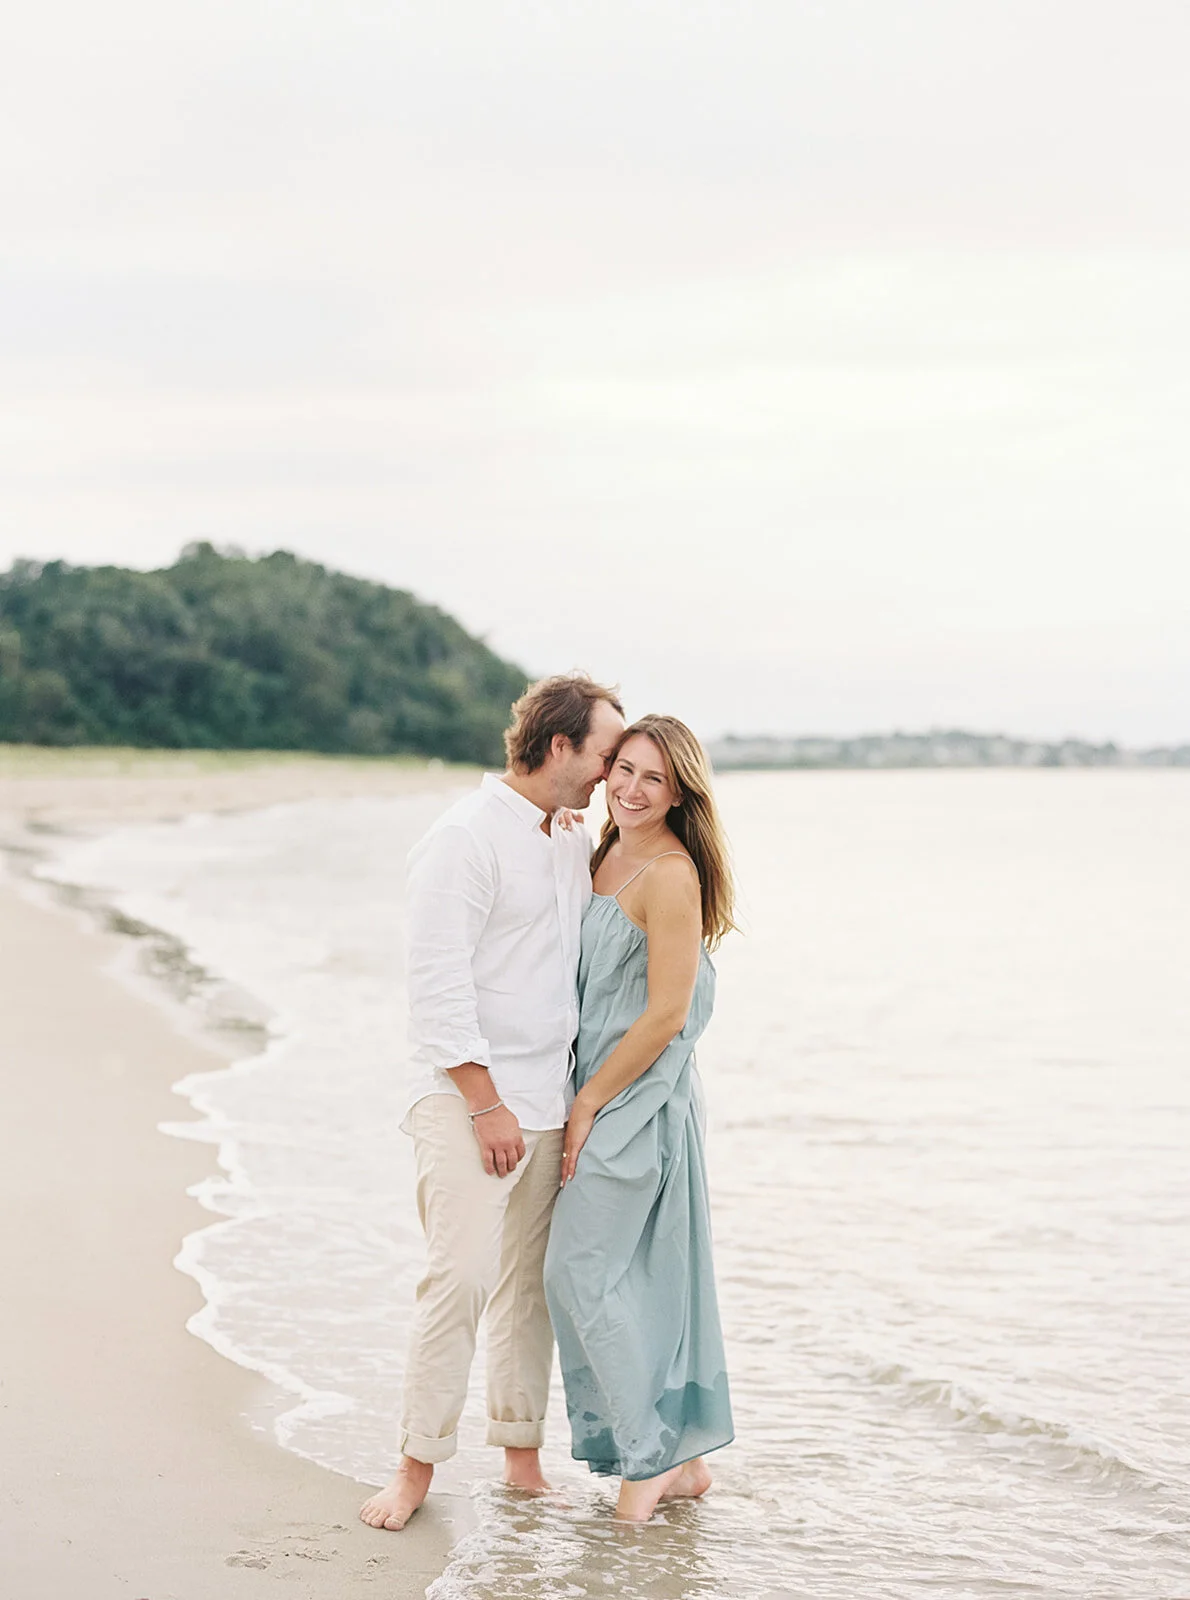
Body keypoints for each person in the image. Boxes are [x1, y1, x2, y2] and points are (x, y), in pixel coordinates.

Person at [360, 672, 625, 1532]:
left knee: (528, 1291)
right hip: (471, 1103)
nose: (612, 773)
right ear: (560, 747)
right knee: (460, 1280)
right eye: (605, 753)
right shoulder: (464, 837)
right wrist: (485, 1105)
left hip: (548, 1099)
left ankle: (520, 1458)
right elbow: (435, 985)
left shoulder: (561, 835)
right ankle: (414, 1467)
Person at [544, 714, 737, 1522]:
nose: (629, 788)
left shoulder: (671, 874)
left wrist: (590, 1102)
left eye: (652, 778)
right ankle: (675, 1464)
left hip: (634, 1102)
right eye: (622, 768)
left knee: (578, 1273)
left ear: (679, 790)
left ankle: (653, 1461)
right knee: (615, 1280)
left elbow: (663, 1014)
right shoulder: (603, 853)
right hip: (588, 1091)